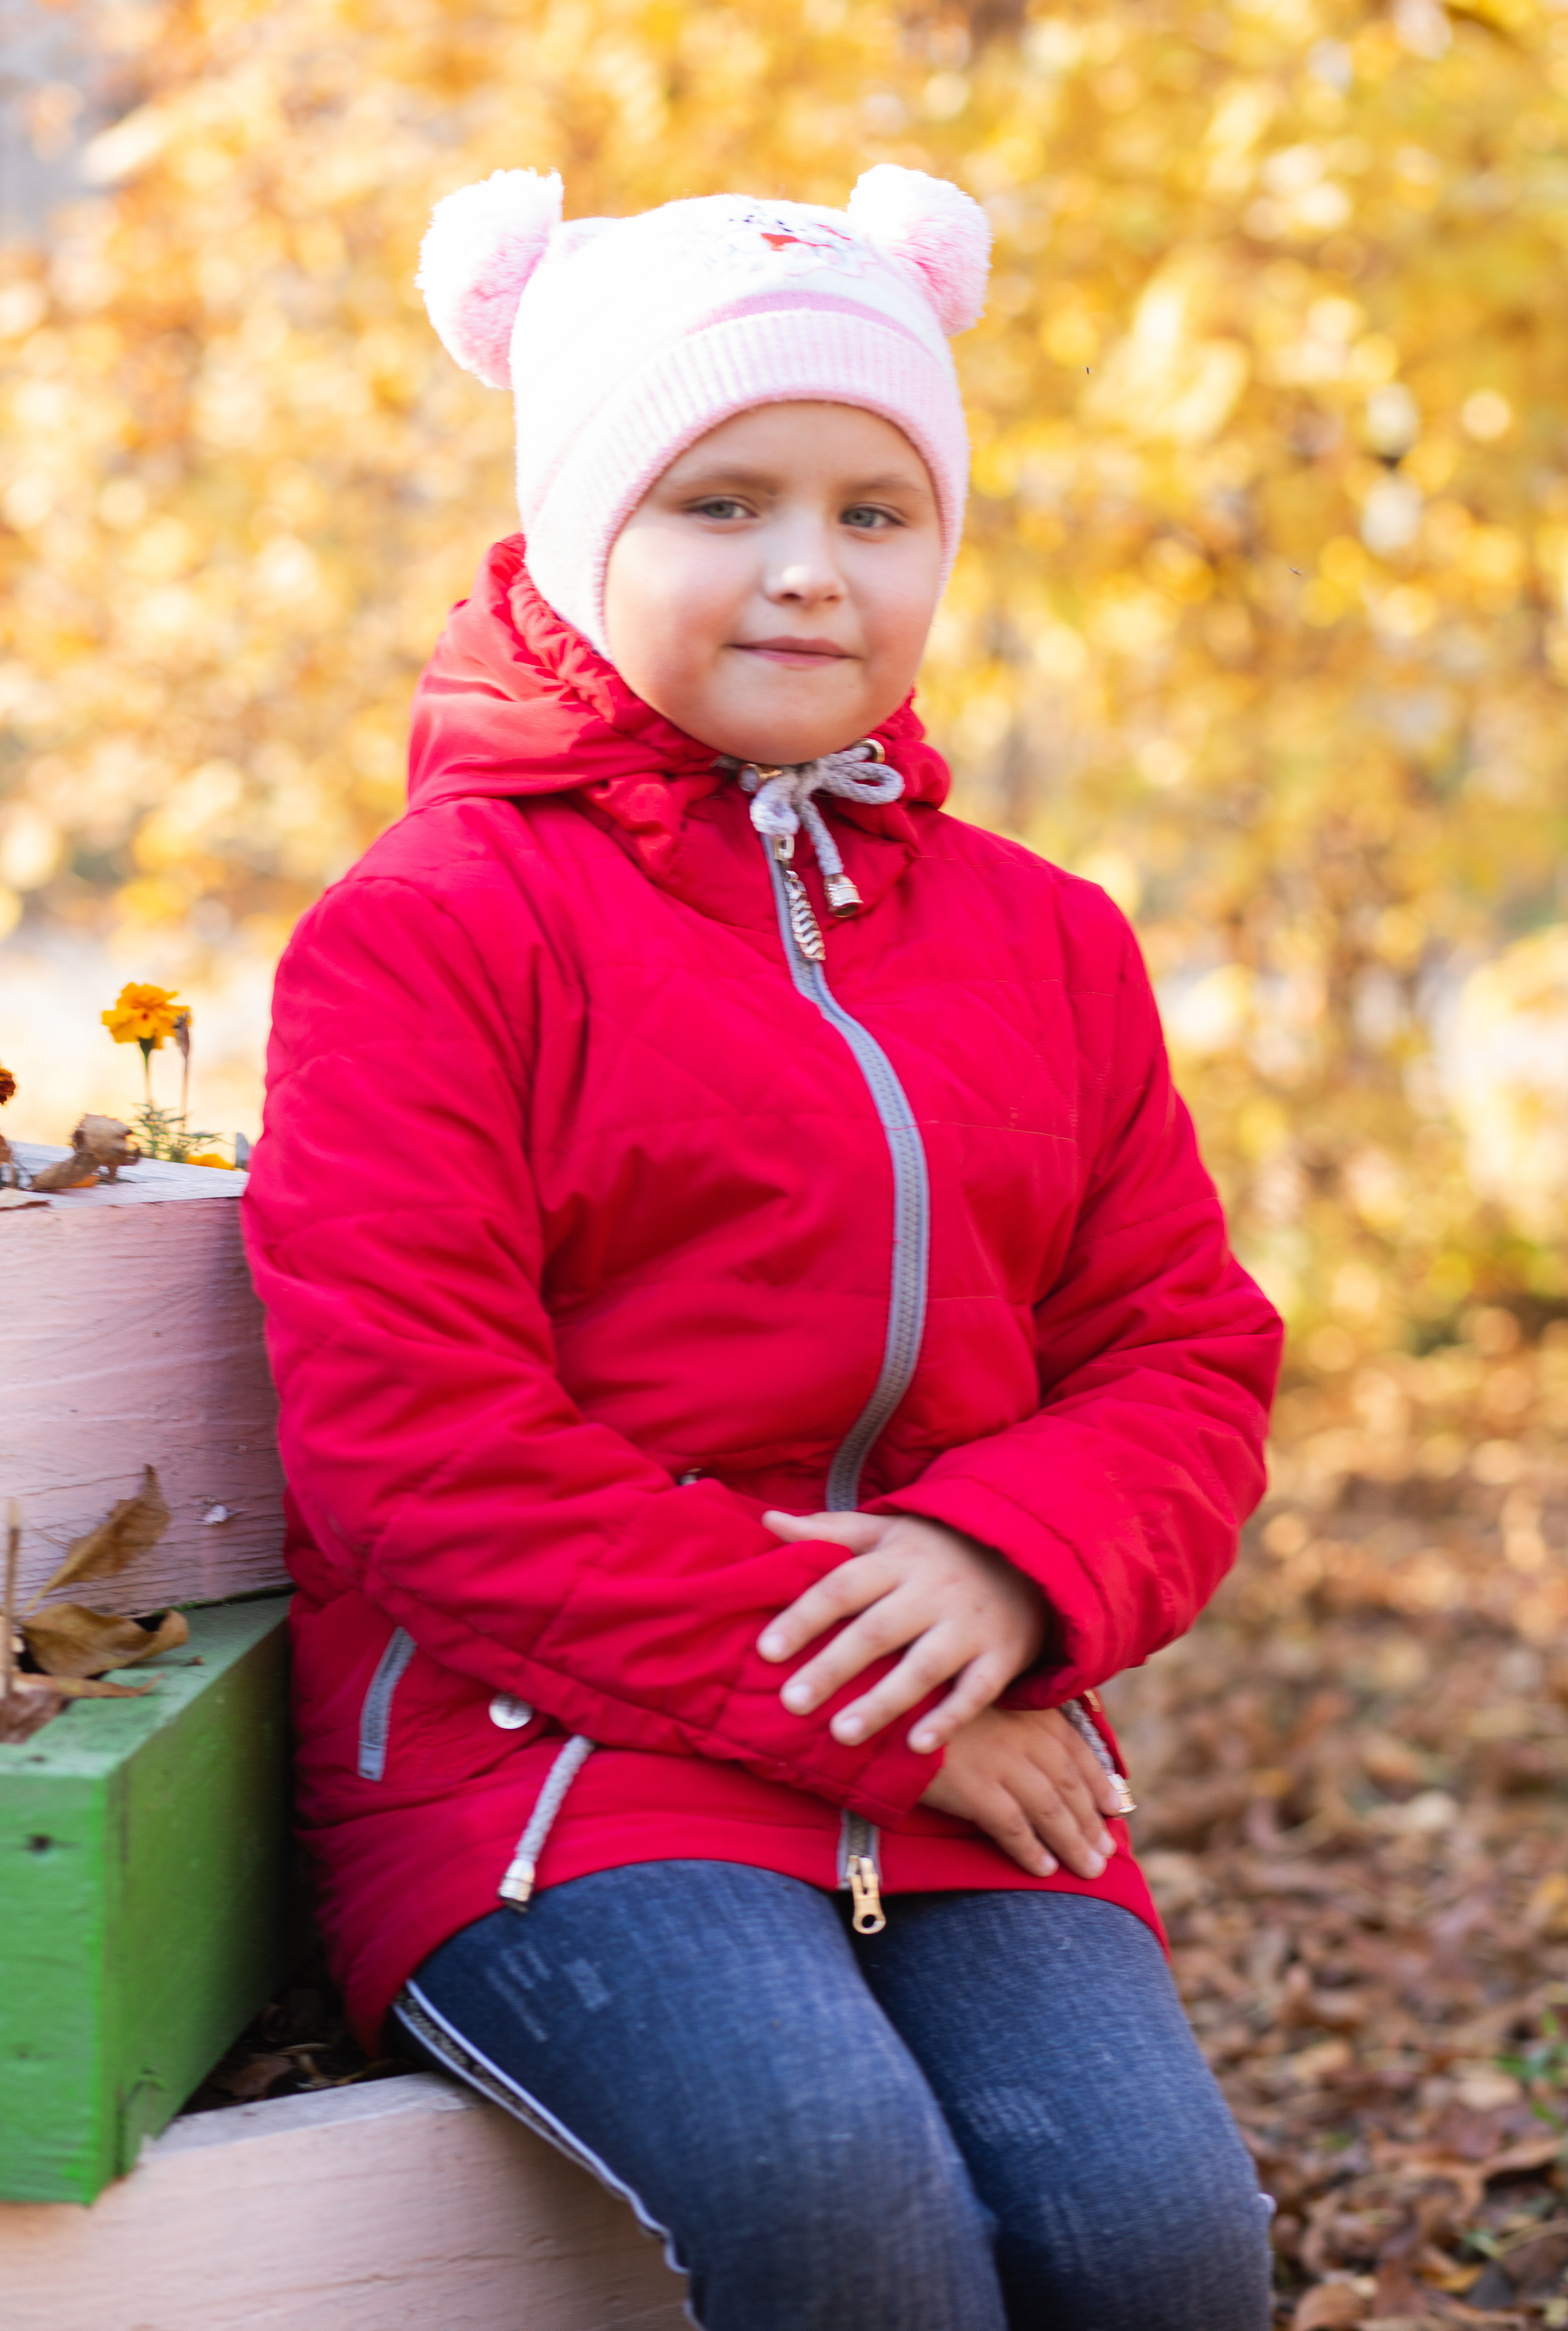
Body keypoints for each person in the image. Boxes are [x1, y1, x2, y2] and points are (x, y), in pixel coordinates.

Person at [243, 163, 1284, 2331]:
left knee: (1161, 2247)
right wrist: (896, 1716)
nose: (810, 572)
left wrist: (1010, 1565)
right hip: (544, 1760)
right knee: (844, 2198)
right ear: (572, 530)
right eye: (721, 502)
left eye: (874, 512)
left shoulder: (1047, 944)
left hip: (965, 1715)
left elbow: (1181, 1353)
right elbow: (422, 1455)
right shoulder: (438, 936)